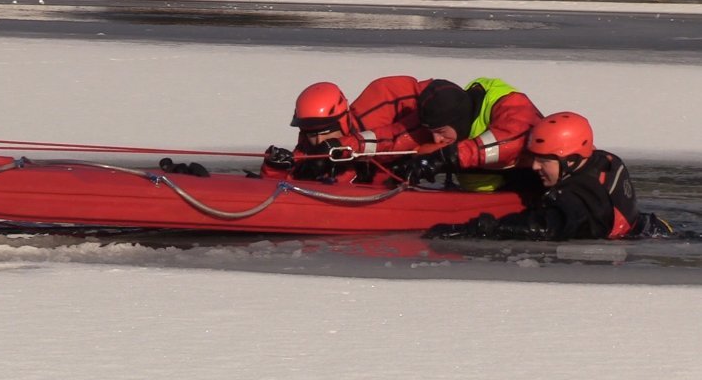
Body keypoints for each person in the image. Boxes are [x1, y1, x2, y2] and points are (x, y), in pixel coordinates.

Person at [424, 112, 675, 241]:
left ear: (571, 160)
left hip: (630, 240)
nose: (534, 166)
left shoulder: (581, 200)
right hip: (651, 225)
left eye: (543, 160)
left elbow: (544, 227)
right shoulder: (597, 160)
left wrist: (480, 228)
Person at [262, 77, 434, 183]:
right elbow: (283, 188)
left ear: (343, 122)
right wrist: (275, 168)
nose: (319, 141)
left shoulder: (377, 112)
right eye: (311, 134)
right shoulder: (309, 146)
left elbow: (435, 103)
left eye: (326, 132)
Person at [399, 77, 544, 192]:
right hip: (477, 193)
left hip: (520, 187)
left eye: (441, 132)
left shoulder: (509, 103)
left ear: (459, 122)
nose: (436, 139)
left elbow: (513, 139)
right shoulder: (461, 105)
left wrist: (445, 157)